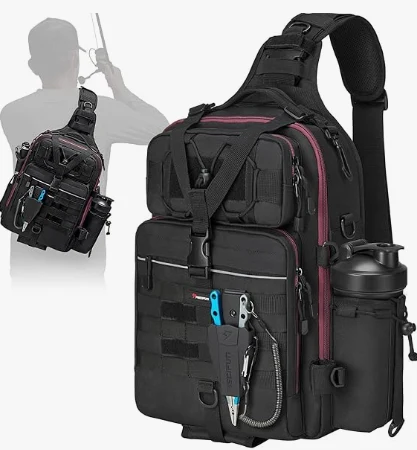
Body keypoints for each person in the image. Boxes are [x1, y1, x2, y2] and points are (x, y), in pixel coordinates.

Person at [0, 18, 168, 281]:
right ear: (74, 59)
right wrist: (119, 87)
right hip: (82, 259)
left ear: (33, 66)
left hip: (25, 259)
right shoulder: (105, 111)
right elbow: (162, 129)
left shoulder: (11, 113)